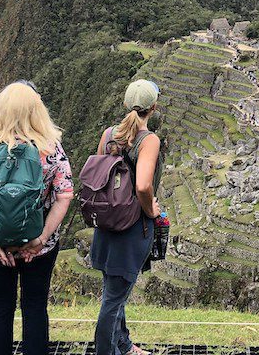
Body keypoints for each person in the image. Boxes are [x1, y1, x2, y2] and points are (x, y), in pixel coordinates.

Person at [0, 81, 73, 355]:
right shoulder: (51, 150)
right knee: (35, 307)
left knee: (0, 307)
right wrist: (41, 238)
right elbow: (65, 195)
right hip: (39, 246)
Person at [90, 80, 164, 355]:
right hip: (131, 227)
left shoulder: (109, 134)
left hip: (107, 223)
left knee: (114, 291)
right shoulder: (149, 140)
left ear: (125, 104)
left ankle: (123, 344)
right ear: (153, 108)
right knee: (113, 300)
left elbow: (98, 178)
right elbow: (144, 185)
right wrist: (150, 211)